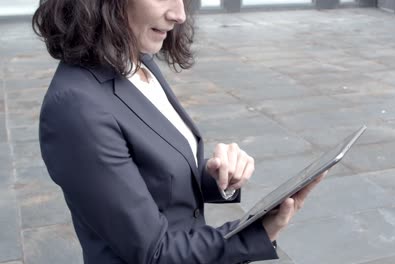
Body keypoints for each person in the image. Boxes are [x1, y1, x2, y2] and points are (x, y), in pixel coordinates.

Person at [32, 0, 324, 263]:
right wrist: (258, 232)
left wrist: (216, 176)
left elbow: (155, 179)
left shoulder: (137, 60)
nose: (180, 14)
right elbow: (154, 252)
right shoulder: (76, 108)